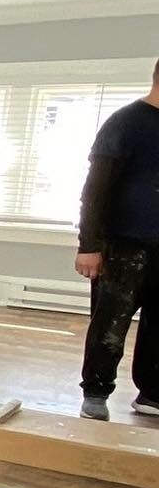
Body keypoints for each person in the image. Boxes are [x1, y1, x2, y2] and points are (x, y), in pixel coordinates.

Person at [76, 57, 159, 421]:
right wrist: (89, 246)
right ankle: (96, 392)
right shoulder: (125, 123)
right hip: (123, 247)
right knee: (110, 325)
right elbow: (95, 191)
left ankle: (152, 394)